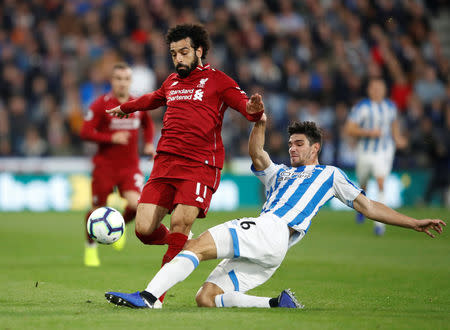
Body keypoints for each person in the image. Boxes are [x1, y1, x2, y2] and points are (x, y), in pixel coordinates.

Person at [104, 116, 445, 309]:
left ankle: (149, 297)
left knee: (193, 246)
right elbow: (257, 152)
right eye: (291, 143)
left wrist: (413, 222)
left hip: (272, 229)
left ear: (316, 148)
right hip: (273, 250)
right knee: (206, 298)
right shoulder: (279, 173)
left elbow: (368, 206)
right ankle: (275, 304)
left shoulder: (328, 174)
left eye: (300, 144)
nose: (293, 149)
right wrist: (260, 121)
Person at [106, 24, 264, 302]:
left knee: (180, 221)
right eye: (173, 53)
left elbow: (246, 107)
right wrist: (126, 107)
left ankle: (154, 298)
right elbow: (151, 99)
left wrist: (254, 110)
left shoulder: (218, 80)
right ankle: (184, 245)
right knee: (143, 229)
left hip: (200, 165)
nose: (178, 58)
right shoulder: (171, 82)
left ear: (199, 51)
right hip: (165, 163)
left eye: (184, 52)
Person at [80, 62, 156, 267]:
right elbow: (85, 132)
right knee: (97, 210)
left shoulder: (137, 104)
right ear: (112, 81)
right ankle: (91, 248)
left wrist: (149, 144)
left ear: (130, 81)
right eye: (118, 79)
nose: (122, 83)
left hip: (129, 167)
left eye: (126, 79)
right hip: (105, 166)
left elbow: (148, 125)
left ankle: (118, 225)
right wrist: (111, 138)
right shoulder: (100, 105)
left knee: (137, 205)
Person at [344, 78, 407, 235]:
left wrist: (397, 138)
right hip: (365, 151)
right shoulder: (362, 107)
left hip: (384, 151)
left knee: (380, 182)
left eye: (380, 88)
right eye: (375, 88)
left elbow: (394, 124)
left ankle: (380, 225)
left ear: (385, 90)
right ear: (369, 90)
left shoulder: (390, 107)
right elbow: (349, 129)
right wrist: (369, 133)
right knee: (363, 183)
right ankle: (361, 208)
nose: (378, 91)